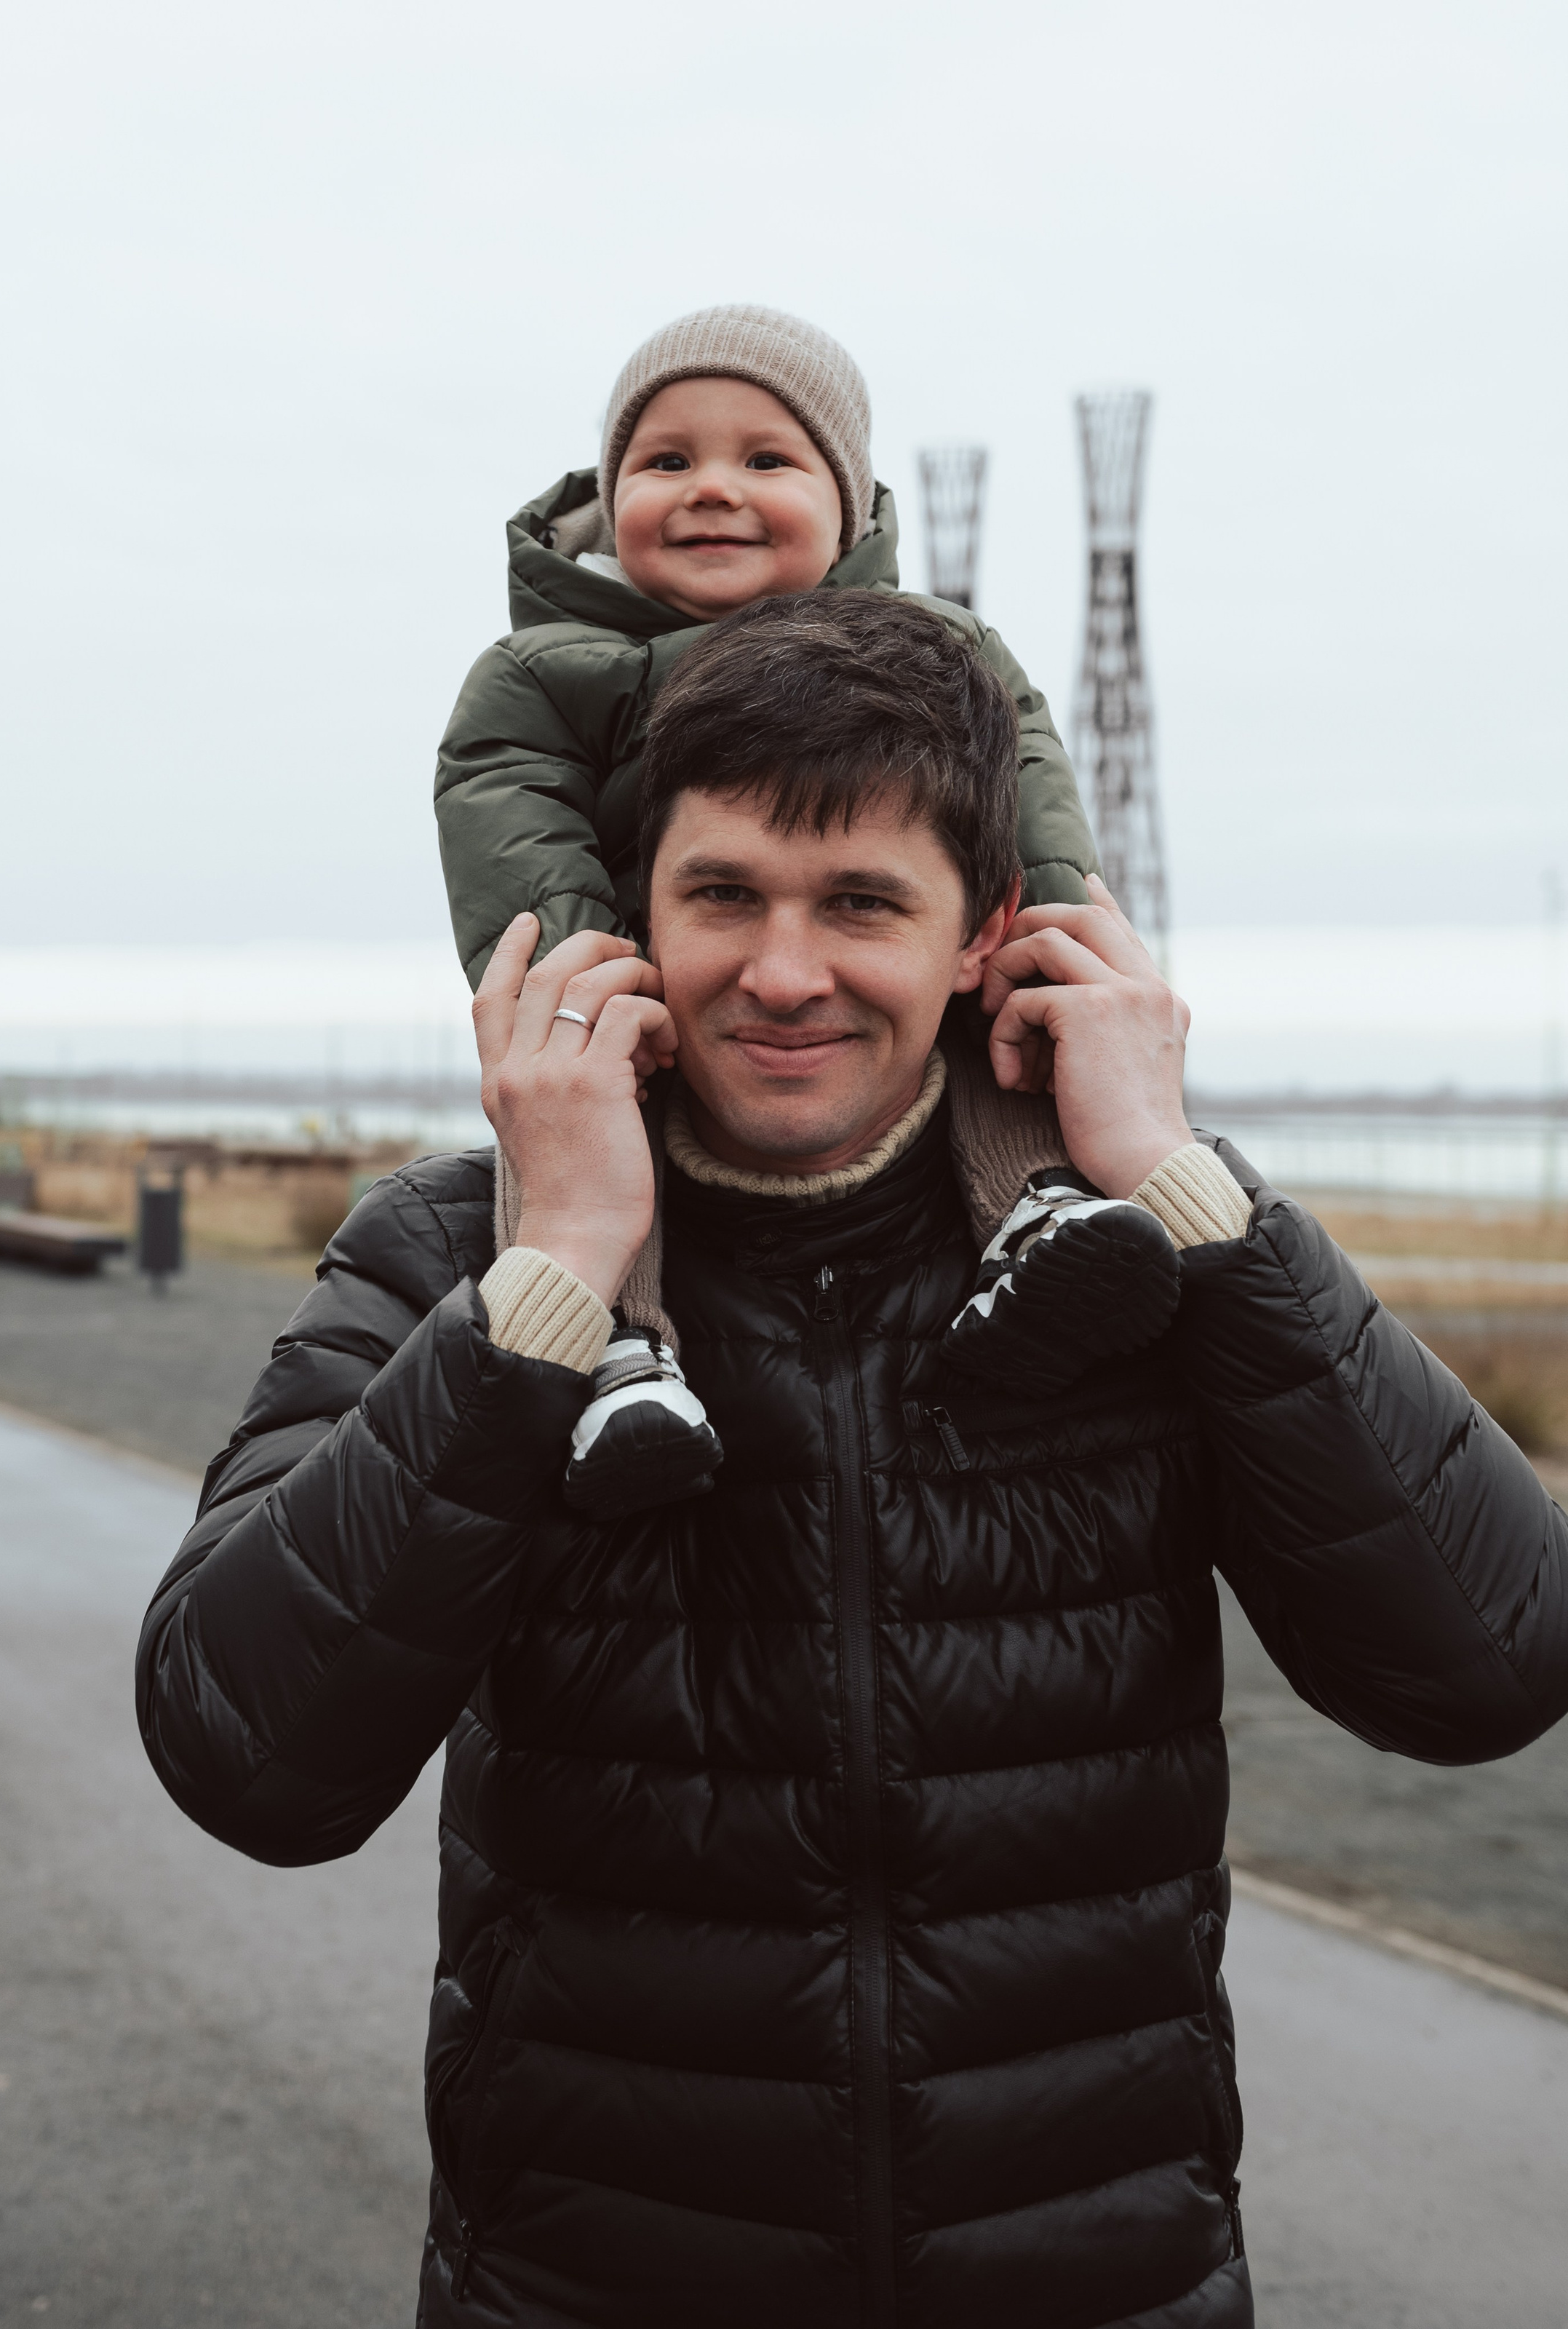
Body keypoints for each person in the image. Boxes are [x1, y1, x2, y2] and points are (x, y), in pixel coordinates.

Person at [138, 591, 1568, 2328]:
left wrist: (1187, 1189)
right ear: (626, 916)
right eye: (722, 893)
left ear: (985, 941)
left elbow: (1484, 1666)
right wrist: (553, 1273)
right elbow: (247, 1753)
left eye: (863, 903)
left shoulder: (1134, 1244)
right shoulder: (460, 1246)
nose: (784, 970)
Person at [434, 303, 1177, 1520]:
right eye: (666, 461)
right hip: (643, 986)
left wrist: (1044, 933)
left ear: (850, 507)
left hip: (872, 1006)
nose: (711, 489)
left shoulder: (938, 646)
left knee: (995, 1037)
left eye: (765, 460)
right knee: (570, 1114)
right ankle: (617, 1346)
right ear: (609, 492)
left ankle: (1039, 1222)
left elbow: (1028, 781)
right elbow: (503, 816)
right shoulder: (545, 668)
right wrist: (594, 969)